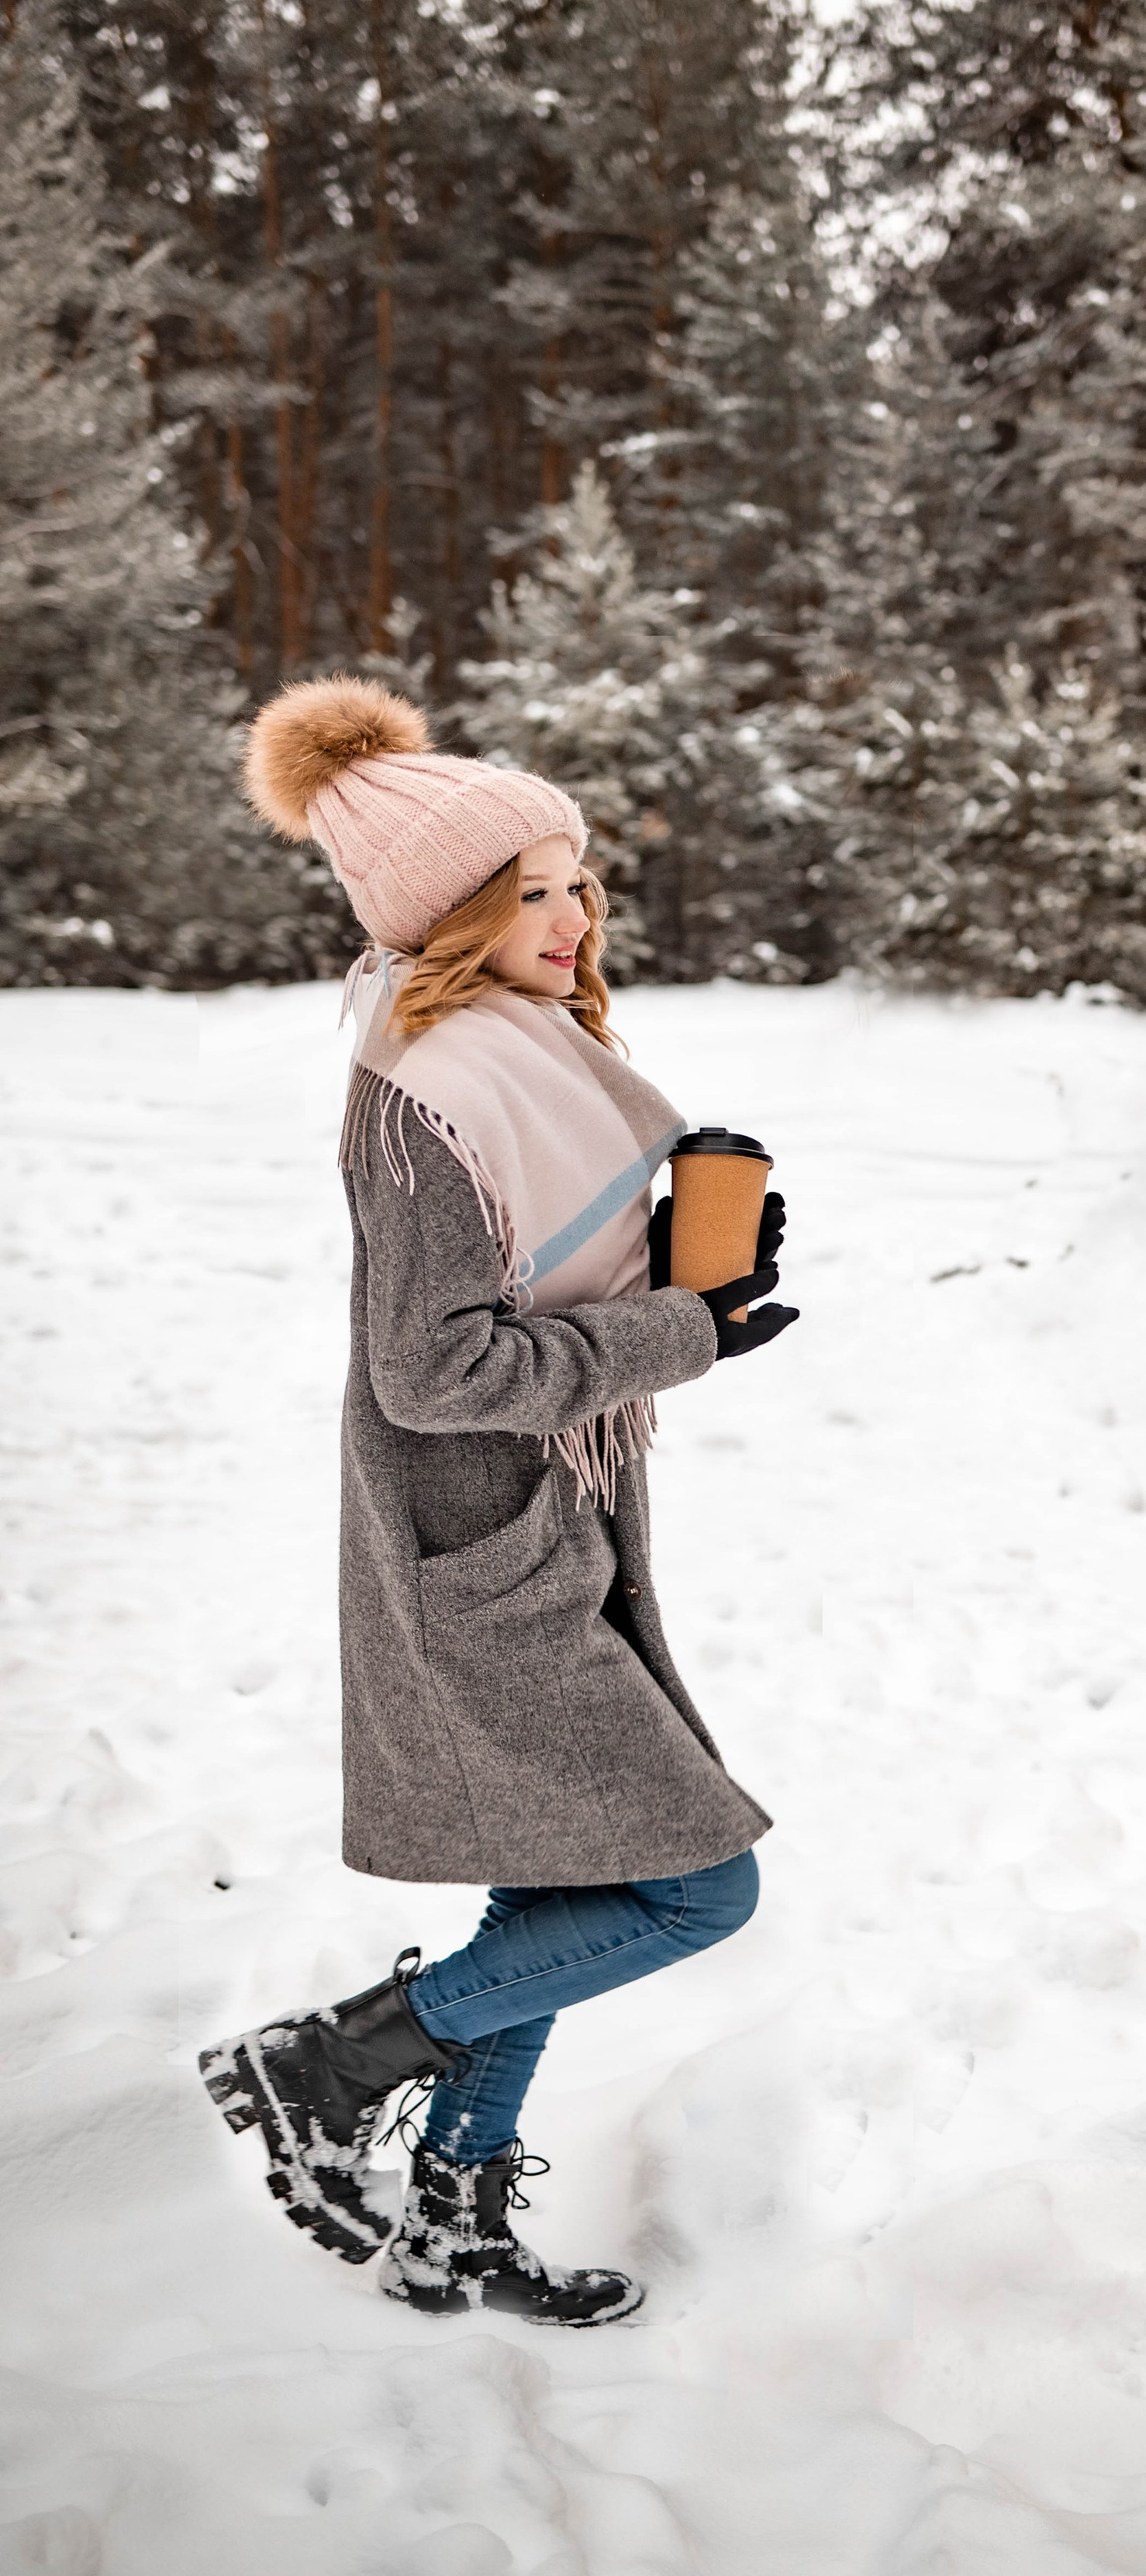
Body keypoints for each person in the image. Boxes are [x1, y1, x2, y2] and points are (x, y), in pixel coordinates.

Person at [199, 676, 795, 2327]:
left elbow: (535, 1294)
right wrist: (677, 1329)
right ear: (447, 915)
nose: (571, 912)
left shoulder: (517, 1053)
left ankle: (451, 2221)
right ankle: (323, 2066)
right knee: (692, 1882)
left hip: (546, 1526)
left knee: (557, 1880)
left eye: (575, 877)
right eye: (526, 889)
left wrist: (692, 1280)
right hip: (479, 1548)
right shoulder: (430, 1088)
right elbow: (434, 1368)